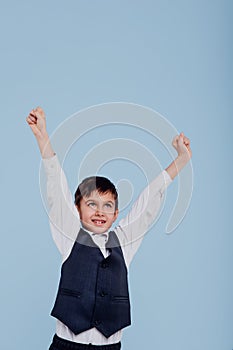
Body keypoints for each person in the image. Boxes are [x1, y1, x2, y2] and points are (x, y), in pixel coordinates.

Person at [26, 107, 192, 350]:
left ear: (116, 214)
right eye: (91, 204)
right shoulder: (70, 234)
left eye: (107, 206)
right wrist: (42, 136)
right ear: (77, 209)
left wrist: (181, 160)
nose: (100, 211)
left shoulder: (125, 240)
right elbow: (56, 186)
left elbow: (149, 200)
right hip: (67, 345)